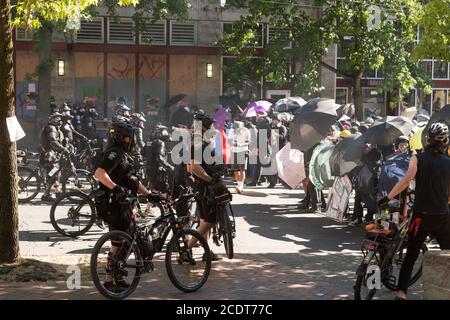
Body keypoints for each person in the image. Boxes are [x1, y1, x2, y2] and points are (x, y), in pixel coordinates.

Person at [378, 123, 450, 300]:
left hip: (420, 217)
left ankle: (401, 293)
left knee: (410, 256)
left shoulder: (418, 158)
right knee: (448, 253)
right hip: (441, 215)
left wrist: (388, 197)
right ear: (446, 142)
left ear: (427, 139)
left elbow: (406, 180)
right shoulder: (449, 163)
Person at [94, 121, 152, 291]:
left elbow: (132, 180)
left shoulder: (124, 155)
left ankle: (112, 279)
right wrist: (116, 188)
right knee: (119, 242)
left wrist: (149, 194)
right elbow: (99, 173)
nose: (132, 140)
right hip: (114, 204)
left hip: (123, 204)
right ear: (123, 138)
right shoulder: (114, 153)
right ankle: (110, 280)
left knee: (121, 243)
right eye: (129, 137)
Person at [186, 111, 230, 261]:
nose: (213, 127)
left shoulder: (196, 140)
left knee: (204, 220)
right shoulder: (198, 142)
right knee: (210, 221)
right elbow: (193, 167)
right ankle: (187, 249)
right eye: (211, 125)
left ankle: (207, 252)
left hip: (200, 187)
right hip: (205, 187)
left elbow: (188, 167)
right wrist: (210, 180)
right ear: (204, 126)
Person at [38, 112, 70, 201]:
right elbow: (53, 141)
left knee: (55, 174)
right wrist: (63, 149)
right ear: (51, 119)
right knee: (52, 174)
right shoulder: (51, 128)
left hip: (53, 155)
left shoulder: (55, 128)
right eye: (56, 118)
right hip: (49, 155)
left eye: (59, 118)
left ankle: (57, 191)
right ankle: (46, 195)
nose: (59, 120)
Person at [145, 124, 174, 195]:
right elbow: (159, 158)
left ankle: (149, 205)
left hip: (149, 169)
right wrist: (169, 166)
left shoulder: (149, 142)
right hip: (158, 170)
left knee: (155, 189)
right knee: (164, 189)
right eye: (164, 132)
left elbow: (143, 153)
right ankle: (167, 204)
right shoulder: (160, 142)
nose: (165, 134)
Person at [267, 113, 288, 188]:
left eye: (275, 120)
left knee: (281, 166)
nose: (274, 121)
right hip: (274, 148)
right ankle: (272, 182)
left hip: (281, 149)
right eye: (273, 120)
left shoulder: (283, 128)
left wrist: (275, 134)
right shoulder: (272, 127)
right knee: (273, 166)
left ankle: (284, 182)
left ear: (279, 121)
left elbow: (283, 137)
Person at [230, 120, 250, 193]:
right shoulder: (232, 131)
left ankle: (241, 186)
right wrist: (232, 143)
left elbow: (248, 141)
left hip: (243, 151)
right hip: (234, 151)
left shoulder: (246, 131)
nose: (235, 130)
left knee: (242, 169)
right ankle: (239, 185)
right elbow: (229, 140)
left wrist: (241, 145)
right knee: (235, 169)